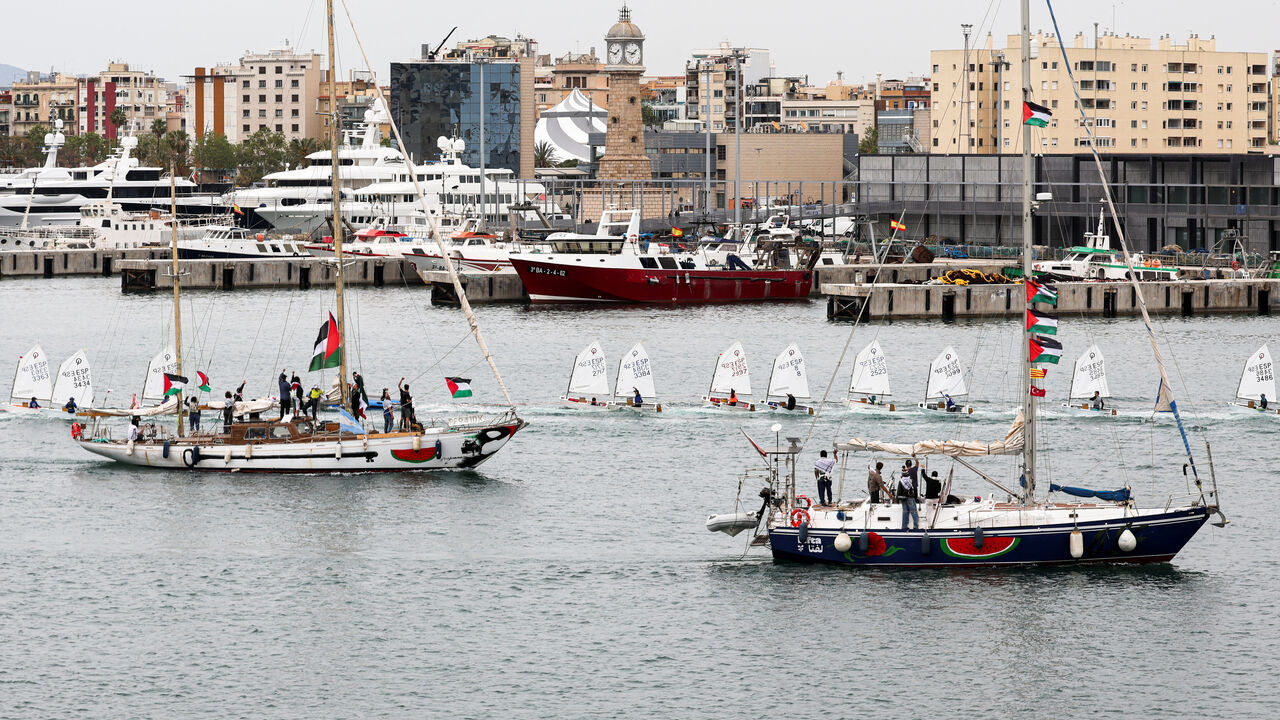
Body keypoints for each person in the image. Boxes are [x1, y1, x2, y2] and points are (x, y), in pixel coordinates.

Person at [898, 459, 920, 530]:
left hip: (903, 498)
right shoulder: (911, 479)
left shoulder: (901, 481)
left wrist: (897, 498)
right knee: (913, 511)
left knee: (905, 512)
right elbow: (913, 488)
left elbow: (899, 491)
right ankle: (915, 526)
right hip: (910, 497)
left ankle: (904, 526)